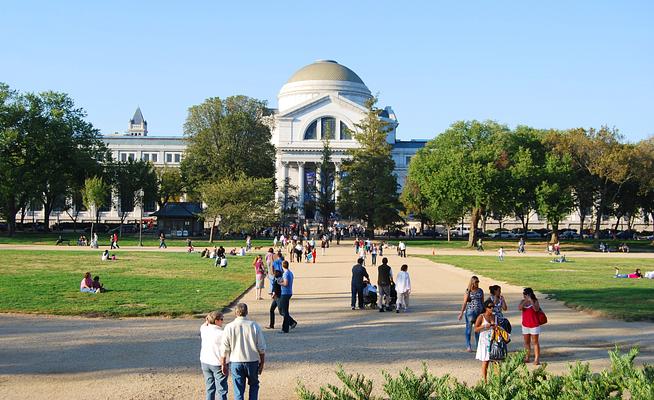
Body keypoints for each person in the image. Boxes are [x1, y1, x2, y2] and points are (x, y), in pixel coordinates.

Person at [220, 303, 266, 400]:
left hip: (236, 361)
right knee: (254, 385)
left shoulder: (229, 327)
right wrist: (262, 362)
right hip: (252, 360)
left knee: (238, 389)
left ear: (235, 313)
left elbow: (224, 348)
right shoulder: (254, 325)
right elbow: (261, 347)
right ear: (247, 312)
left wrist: (223, 363)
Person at [200, 311, 228, 400]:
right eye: (221, 319)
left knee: (210, 387)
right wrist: (224, 364)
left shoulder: (203, 329)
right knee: (221, 389)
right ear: (216, 321)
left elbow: (205, 323)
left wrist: (207, 320)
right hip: (217, 363)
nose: (222, 321)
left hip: (205, 361)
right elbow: (225, 350)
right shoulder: (222, 333)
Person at [458, 276, 484, 352]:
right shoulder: (468, 291)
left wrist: (484, 311)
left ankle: (478, 346)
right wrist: (461, 313)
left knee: (477, 329)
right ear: (472, 282)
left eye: (478, 282)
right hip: (470, 312)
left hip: (479, 312)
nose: (477, 283)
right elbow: (465, 302)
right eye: (476, 282)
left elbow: (482, 302)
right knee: (469, 329)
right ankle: (468, 346)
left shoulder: (480, 291)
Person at [474, 299, 497, 382]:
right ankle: (485, 380)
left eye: (493, 307)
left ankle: (496, 380)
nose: (492, 308)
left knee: (495, 361)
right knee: (486, 361)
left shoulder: (495, 316)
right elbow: (475, 329)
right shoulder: (481, 316)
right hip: (485, 341)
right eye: (490, 307)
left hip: (494, 341)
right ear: (486, 308)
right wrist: (484, 326)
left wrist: (496, 327)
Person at [519, 287, 542, 365]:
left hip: (534, 325)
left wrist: (531, 301)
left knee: (535, 342)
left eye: (525, 294)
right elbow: (520, 308)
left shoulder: (535, 301)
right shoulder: (523, 301)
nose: (524, 295)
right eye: (524, 294)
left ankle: (537, 359)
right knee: (526, 342)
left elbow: (536, 309)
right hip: (525, 325)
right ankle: (527, 357)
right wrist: (526, 301)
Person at [278, 260, 297, 333]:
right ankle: (291, 322)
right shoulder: (290, 272)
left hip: (285, 293)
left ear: (282, 266)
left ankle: (285, 328)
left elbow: (285, 283)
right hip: (288, 292)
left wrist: (279, 283)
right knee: (284, 310)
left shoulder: (286, 273)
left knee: (284, 311)